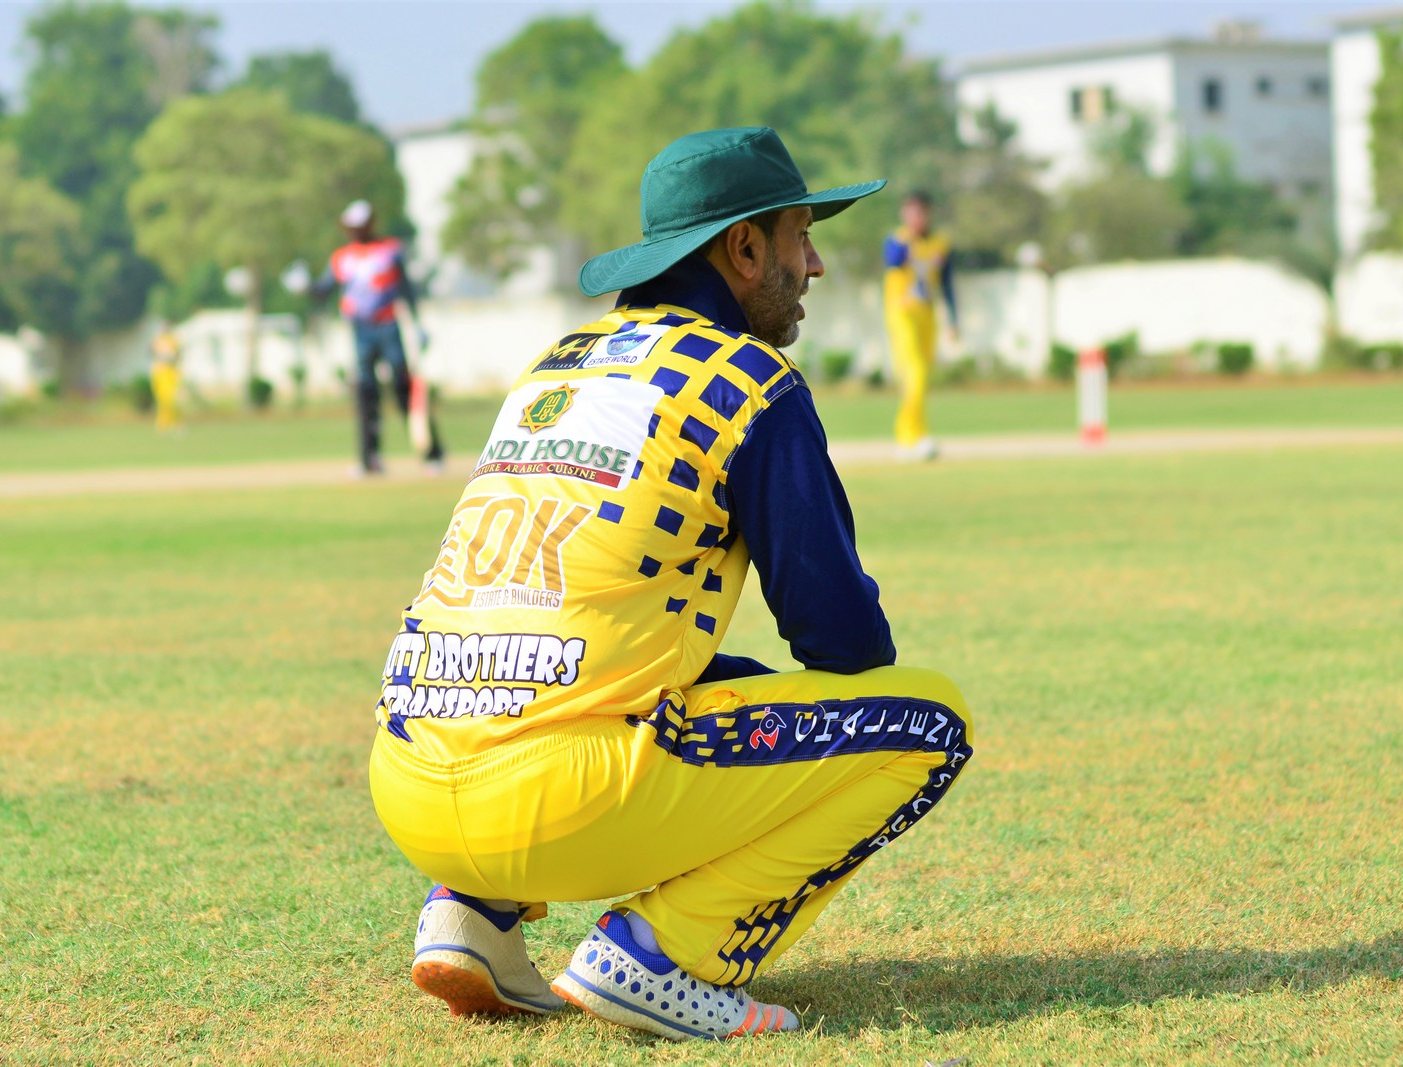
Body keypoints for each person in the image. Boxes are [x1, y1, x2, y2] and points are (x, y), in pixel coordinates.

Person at [369, 128, 975, 1041]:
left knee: (613, 672)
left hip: (408, 778)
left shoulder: (556, 364)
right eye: (802, 236)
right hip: (556, 796)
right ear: (745, 248)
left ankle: (471, 917)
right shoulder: (749, 380)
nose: (814, 265)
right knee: (925, 721)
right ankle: (664, 956)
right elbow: (844, 643)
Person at [311, 199, 443, 475]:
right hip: (360, 330)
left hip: (388, 326)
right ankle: (369, 459)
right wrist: (305, 286)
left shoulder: (389, 251)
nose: (355, 230)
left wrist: (418, 323)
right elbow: (323, 290)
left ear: (370, 224)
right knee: (365, 392)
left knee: (403, 387)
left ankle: (432, 454)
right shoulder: (342, 258)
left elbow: (406, 290)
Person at [883, 191, 958, 461]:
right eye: (910, 212)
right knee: (915, 372)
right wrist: (909, 240)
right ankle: (908, 438)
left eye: (920, 212)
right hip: (902, 313)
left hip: (927, 314)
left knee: (923, 376)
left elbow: (947, 284)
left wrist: (954, 320)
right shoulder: (897, 240)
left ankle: (917, 435)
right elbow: (892, 261)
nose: (915, 217)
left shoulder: (941, 244)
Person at [148, 326, 183, 434]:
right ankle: (163, 424)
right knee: (163, 400)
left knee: (172, 400)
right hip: (160, 373)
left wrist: (171, 358)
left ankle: (175, 423)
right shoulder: (157, 340)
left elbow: (177, 355)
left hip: (170, 373)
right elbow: (151, 352)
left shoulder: (173, 340)